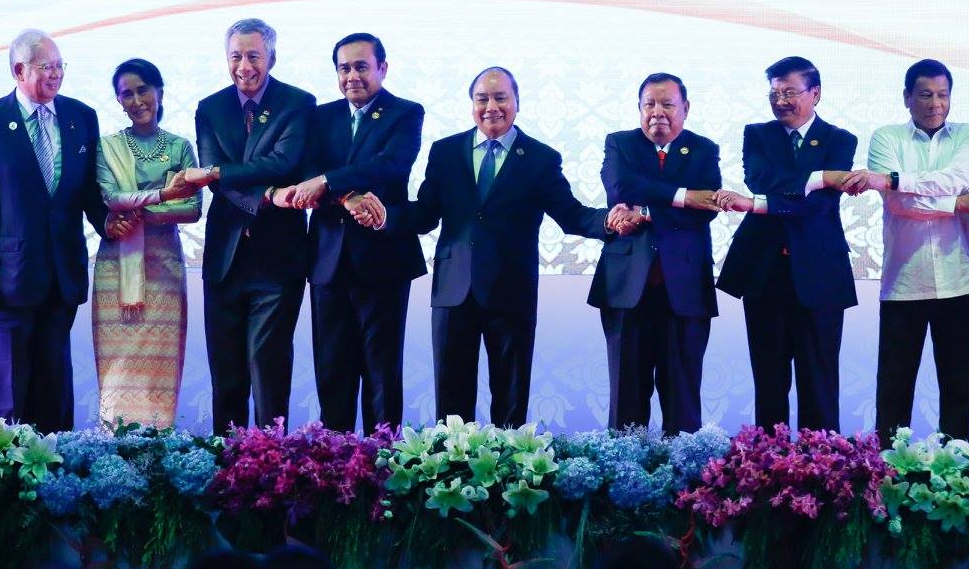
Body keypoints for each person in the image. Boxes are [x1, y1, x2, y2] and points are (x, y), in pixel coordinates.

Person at [380, 66, 618, 427]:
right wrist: (383, 216)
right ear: (472, 105)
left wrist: (608, 221)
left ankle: (508, 476)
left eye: (500, 97)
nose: (491, 106)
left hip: (511, 291)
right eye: (482, 98)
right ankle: (452, 475)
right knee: (451, 402)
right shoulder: (445, 152)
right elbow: (425, 215)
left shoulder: (540, 158)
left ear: (516, 103)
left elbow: (571, 215)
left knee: (509, 398)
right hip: (453, 288)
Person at [273, 32, 424, 433]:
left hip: (383, 262)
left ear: (382, 69)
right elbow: (304, 177)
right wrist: (345, 198)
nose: (352, 76)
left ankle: (385, 468)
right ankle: (336, 471)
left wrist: (329, 180)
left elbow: (389, 165)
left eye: (361, 66)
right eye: (344, 68)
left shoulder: (406, 113)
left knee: (381, 373)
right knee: (332, 369)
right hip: (327, 261)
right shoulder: (320, 117)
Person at [0, 29, 110, 432]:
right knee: (11, 395)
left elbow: (90, 192)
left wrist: (111, 223)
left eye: (61, 66)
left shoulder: (82, 117)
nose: (57, 75)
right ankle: (11, 487)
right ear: (19, 69)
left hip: (61, 277)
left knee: (55, 388)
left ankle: (56, 484)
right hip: (7, 280)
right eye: (47, 67)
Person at [847, 59, 969, 442]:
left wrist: (894, 180)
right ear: (908, 97)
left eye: (943, 95)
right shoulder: (886, 137)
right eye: (925, 95)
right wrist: (956, 204)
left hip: (958, 281)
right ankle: (887, 481)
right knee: (893, 394)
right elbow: (898, 205)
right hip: (903, 283)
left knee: (958, 393)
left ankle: (958, 482)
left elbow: (959, 179)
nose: (935, 104)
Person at [714, 56, 857, 432]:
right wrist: (818, 176)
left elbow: (820, 205)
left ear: (815, 93)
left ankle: (824, 475)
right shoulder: (757, 134)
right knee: (769, 383)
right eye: (775, 93)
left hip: (820, 275)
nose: (781, 101)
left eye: (790, 92)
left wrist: (808, 185)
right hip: (764, 273)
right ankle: (767, 475)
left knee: (820, 384)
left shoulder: (840, 140)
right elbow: (760, 180)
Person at [187, 18, 315, 433]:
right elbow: (214, 178)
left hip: (278, 260)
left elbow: (285, 163)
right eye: (236, 56)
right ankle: (229, 471)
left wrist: (222, 173)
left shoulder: (298, 103)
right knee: (226, 374)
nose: (244, 65)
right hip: (225, 258)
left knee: (268, 367)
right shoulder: (210, 108)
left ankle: (270, 466)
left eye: (254, 56)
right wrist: (267, 193)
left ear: (271, 58)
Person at [588, 73, 722, 436]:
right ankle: (624, 485)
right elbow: (620, 187)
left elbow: (707, 206)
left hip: (685, 288)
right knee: (626, 402)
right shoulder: (620, 144)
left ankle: (687, 490)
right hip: (626, 288)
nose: (657, 113)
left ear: (685, 108)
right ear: (639, 108)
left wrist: (647, 211)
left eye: (667, 104)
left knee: (682, 404)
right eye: (649, 104)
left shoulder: (704, 149)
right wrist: (684, 196)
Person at [92, 59, 201, 427]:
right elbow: (111, 197)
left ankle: (159, 452)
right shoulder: (107, 147)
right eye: (127, 94)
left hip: (164, 268)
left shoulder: (180, 146)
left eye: (143, 90)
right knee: (118, 371)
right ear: (119, 101)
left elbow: (192, 208)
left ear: (159, 92)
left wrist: (142, 209)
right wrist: (163, 196)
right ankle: (114, 455)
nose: (137, 100)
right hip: (116, 267)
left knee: (160, 370)